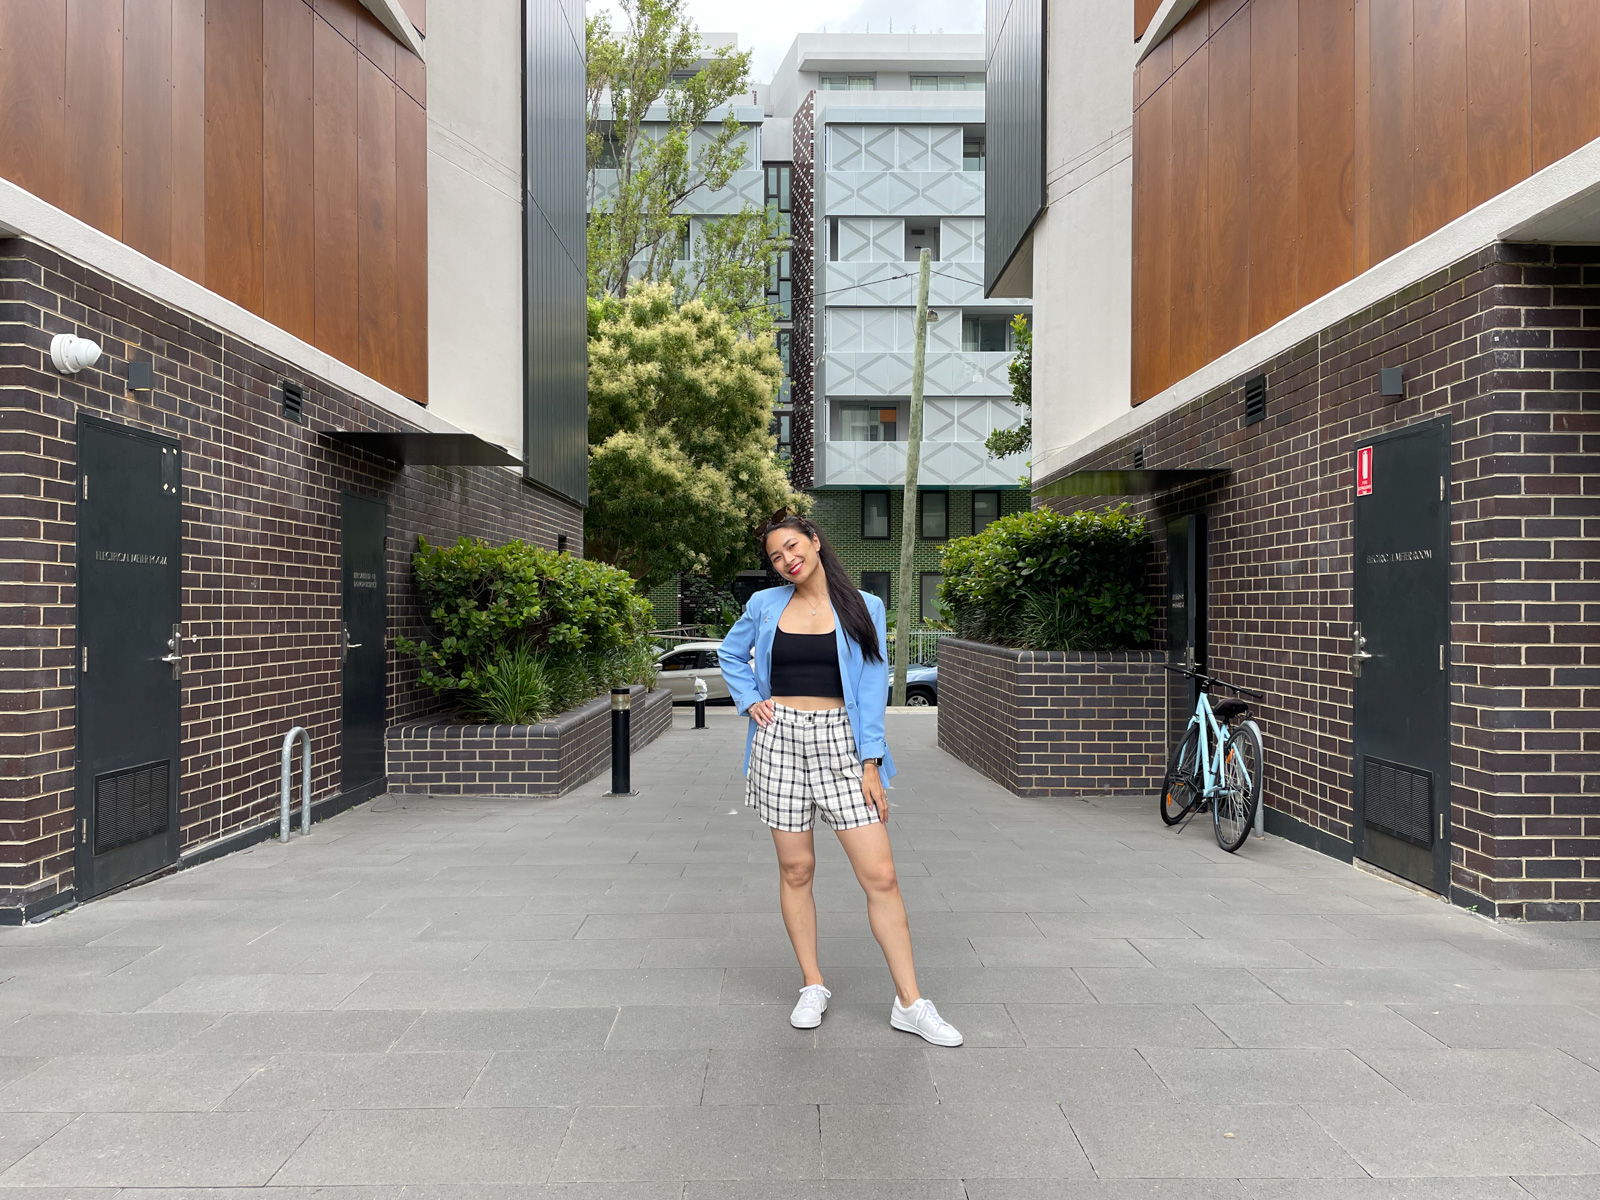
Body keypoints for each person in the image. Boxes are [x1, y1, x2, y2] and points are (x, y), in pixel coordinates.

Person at [718, 513, 962, 1047]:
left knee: (881, 875)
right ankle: (812, 984)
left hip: (842, 744)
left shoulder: (863, 608)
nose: (786, 561)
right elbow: (731, 655)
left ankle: (911, 1003)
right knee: (796, 868)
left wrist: (871, 762)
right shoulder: (764, 606)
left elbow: (872, 685)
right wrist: (750, 701)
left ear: (814, 540)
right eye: (776, 558)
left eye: (791, 548)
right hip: (778, 740)